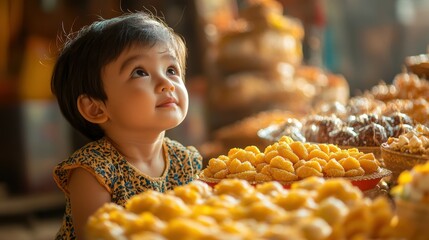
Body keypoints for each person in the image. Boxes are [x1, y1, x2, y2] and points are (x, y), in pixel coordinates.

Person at [51, 11, 202, 239]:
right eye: (140, 72)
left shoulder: (185, 161)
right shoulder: (93, 172)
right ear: (96, 108)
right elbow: (97, 234)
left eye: (171, 70)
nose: (166, 83)